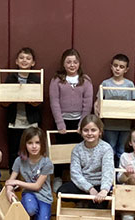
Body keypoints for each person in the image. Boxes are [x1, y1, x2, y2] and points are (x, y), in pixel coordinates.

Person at [49, 48, 93, 191]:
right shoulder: (56, 80)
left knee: (79, 151)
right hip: (62, 122)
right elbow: (54, 101)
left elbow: (88, 102)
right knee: (60, 151)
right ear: (63, 63)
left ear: (79, 63)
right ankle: (58, 178)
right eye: (68, 62)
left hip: (79, 123)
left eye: (75, 62)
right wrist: (60, 123)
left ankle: (78, 179)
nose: (72, 65)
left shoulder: (85, 80)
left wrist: (82, 124)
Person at [5, 127, 54, 220]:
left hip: (44, 197)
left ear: (42, 144)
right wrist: (9, 190)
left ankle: (39, 216)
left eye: (37, 142)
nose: (34, 146)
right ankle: (31, 214)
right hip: (29, 194)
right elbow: (10, 181)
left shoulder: (47, 163)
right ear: (24, 144)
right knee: (30, 208)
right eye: (30, 143)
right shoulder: (19, 160)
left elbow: (37, 186)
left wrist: (17, 182)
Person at [57, 115, 114, 209]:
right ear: (81, 131)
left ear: (100, 131)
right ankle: (82, 200)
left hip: (99, 185)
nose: (89, 133)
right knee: (62, 191)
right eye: (86, 130)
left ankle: (87, 202)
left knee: (97, 206)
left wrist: (104, 190)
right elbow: (75, 173)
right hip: (83, 185)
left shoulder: (106, 148)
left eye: (93, 130)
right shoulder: (77, 149)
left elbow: (108, 172)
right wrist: (89, 189)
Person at [1, 47, 42, 171]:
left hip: (31, 122)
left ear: (33, 63)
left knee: (33, 150)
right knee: (14, 151)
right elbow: (3, 104)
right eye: (22, 58)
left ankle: (33, 175)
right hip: (14, 122)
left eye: (28, 58)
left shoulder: (36, 78)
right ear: (16, 61)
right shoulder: (10, 78)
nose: (25, 61)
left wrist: (30, 99)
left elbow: (38, 103)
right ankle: (13, 177)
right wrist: (13, 96)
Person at [94, 53, 135, 167]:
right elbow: (98, 103)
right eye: (115, 65)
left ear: (126, 69)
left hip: (125, 126)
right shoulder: (105, 83)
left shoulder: (129, 85)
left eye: (121, 67)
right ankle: (110, 177)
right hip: (109, 126)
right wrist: (98, 118)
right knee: (110, 151)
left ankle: (120, 177)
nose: (118, 68)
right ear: (111, 66)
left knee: (122, 152)